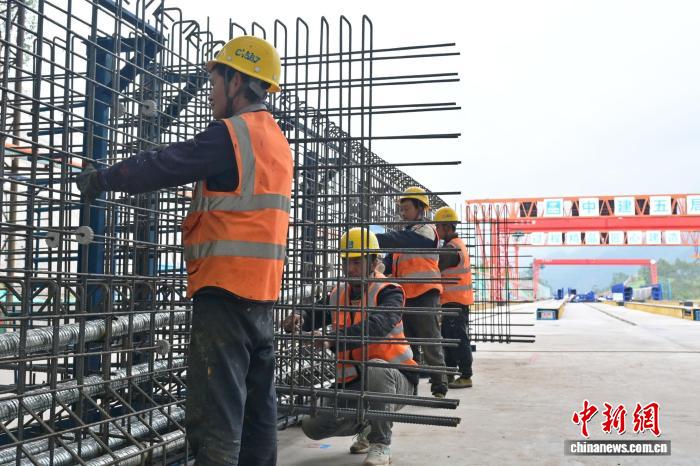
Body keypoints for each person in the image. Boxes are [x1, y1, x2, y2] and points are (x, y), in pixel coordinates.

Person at [75, 36, 292, 466]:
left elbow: (167, 163)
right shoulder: (277, 141)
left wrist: (104, 179)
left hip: (225, 291)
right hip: (262, 294)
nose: (210, 92)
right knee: (257, 414)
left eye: (214, 81)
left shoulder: (232, 135)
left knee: (216, 415)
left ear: (237, 82)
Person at [283, 228, 417, 466]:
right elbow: (316, 312)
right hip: (354, 385)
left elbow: (377, 325)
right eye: (346, 262)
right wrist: (299, 316)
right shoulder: (339, 294)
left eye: (356, 262)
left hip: (395, 381)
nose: (350, 268)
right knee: (312, 426)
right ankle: (368, 423)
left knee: (375, 369)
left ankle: (380, 443)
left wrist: (332, 339)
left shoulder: (389, 291)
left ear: (373, 262)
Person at [375, 187, 448, 398]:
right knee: (408, 344)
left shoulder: (426, 231)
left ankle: (439, 385)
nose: (403, 213)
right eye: (401, 209)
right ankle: (411, 385)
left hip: (425, 293)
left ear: (421, 209)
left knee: (430, 340)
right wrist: (378, 269)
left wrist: (373, 238)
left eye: (406, 208)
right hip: (405, 296)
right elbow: (389, 263)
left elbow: (405, 240)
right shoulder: (405, 236)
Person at [434, 206, 474, 388]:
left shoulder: (452, 248)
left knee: (458, 339)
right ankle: (450, 374)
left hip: (455, 302)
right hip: (453, 301)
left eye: (438, 226)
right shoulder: (455, 244)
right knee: (448, 339)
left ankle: (465, 375)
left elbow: (436, 266)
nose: (436, 230)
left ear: (447, 227)